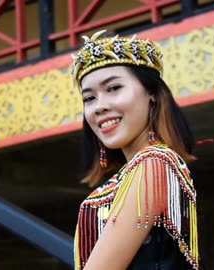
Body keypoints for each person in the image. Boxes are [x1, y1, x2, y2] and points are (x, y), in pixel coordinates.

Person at [71, 30, 200, 270]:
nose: (99, 106)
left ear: (151, 93)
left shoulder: (155, 163)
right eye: (89, 98)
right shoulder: (141, 169)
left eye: (113, 88)